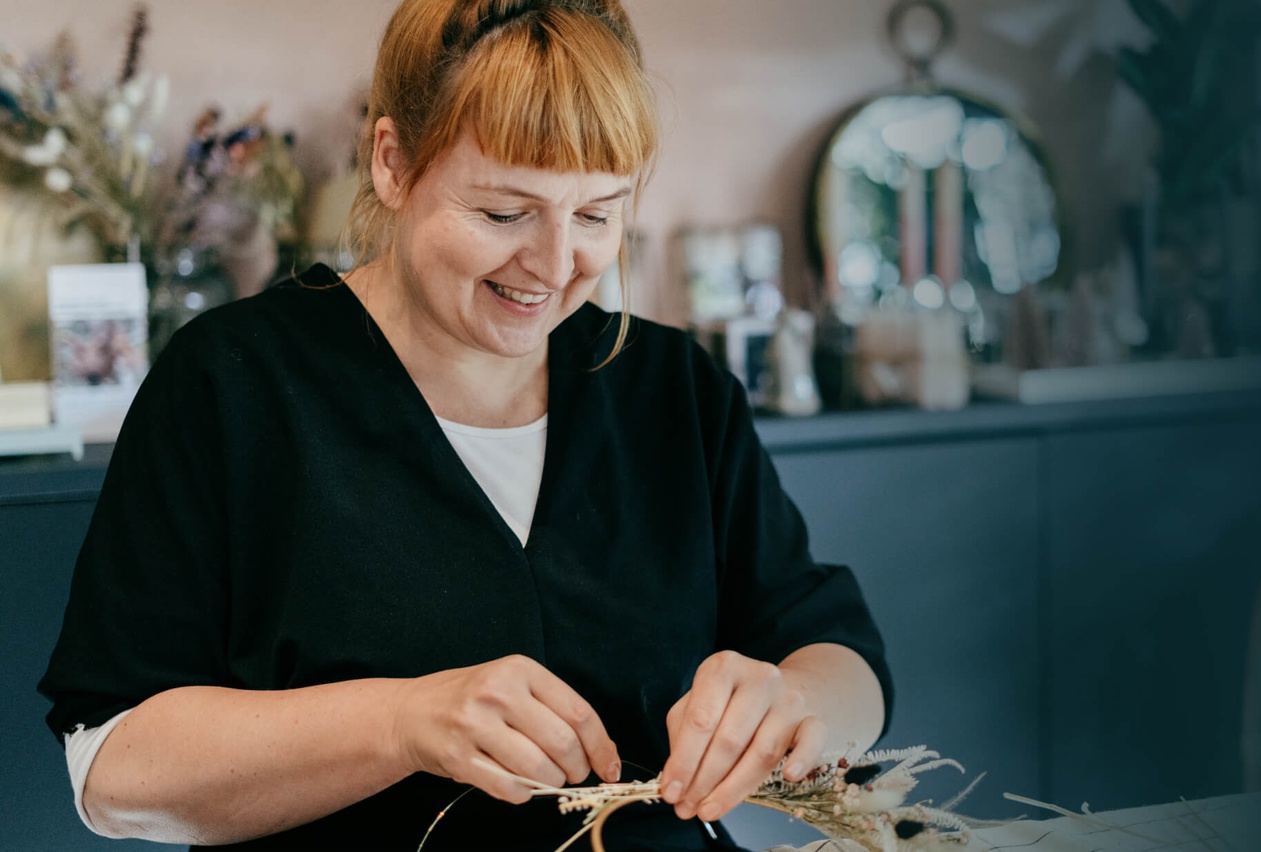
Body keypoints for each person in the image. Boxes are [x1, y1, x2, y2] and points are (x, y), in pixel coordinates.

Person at [36, 2, 892, 849]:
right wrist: (401, 722)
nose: (555, 267)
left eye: (596, 214)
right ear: (393, 163)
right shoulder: (232, 385)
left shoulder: (672, 388)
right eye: (503, 213)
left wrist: (795, 706)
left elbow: (840, 657)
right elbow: (114, 772)